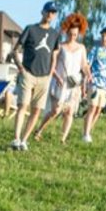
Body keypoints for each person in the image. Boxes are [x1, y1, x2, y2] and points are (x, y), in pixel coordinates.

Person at [10, 1, 61, 151]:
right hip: (28, 73)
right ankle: (16, 138)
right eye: (48, 11)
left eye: (53, 12)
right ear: (42, 12)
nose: (50, 15)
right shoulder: (30, 29)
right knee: (22, 105)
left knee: (37, 110)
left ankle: (24, 140)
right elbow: (15, 50)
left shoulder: (54, 34)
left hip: (44, 77)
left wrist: (51, 73)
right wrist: (20, 68)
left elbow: (55, 55)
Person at [33, 13, 91, 145]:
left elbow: (84, 65)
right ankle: (39, 130)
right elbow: (52, 65)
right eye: (70, 34)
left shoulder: (81, 48)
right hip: (59, 83)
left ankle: (62, 139)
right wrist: (56, 76)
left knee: (70, 112)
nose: (72, 37)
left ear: (79, 34)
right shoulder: (60, 47)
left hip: (73, 84)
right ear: (66, 32)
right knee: (55, 111)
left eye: (75, 35)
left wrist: (88, 74)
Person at [82, 25, 106, 143]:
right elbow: (87, 65)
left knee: (98, 110)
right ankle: (85, 134)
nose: (104, 38)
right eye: (103, 36)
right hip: (95, 83)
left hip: (105, 86)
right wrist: (87, 79)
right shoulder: (95, 49)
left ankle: (88, 131)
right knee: (92, 108)